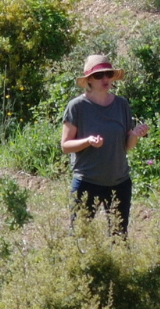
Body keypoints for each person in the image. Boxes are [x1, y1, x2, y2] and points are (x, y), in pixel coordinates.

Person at [61, 54, 149, 232]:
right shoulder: (77, 106)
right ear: (89, 80)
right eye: (99, 75)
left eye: (108, 74)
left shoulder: (121, 104)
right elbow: (65, 146)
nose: (105, 79)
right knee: (80, 234)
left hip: (119, 181)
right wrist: (88, 141)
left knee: (119, 236)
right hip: (87, 181)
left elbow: (126, 146)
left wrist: (135, 134)